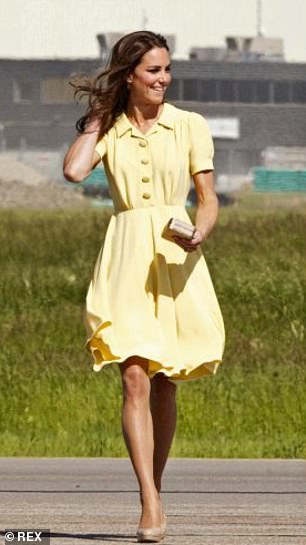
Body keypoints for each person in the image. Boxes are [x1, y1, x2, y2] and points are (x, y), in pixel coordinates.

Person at [63, 30, 225, 543]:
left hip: (175, 254)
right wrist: (97, 116)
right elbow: (73, 170)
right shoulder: (109, 127)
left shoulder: (189, 125)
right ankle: (150, 503)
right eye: (153, 70)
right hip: (127, 253)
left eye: (167, 69)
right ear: (129, 74)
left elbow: (208, 195)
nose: (164, 79)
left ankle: (154, 486)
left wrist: (201, 230)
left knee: (164, 380)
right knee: (133, 373)